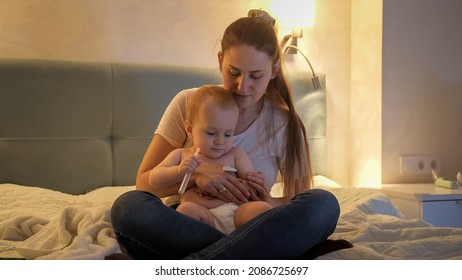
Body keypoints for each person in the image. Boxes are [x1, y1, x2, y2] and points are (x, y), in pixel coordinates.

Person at [111, 9, 351, 260]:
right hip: (187, 222)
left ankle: (198, 264)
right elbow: (145, 185)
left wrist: (266, 199)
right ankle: (255, 256)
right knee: (128, 207)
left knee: (322, 204)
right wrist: (197, 173)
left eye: (256, 76)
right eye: (233, 72)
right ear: (219, 60)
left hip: (247, 222)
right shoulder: (188, 102)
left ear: (275, 70)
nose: (242, 87)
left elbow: (296, 200)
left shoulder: (284, 123)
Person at [149, 84, 273, 234]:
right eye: (211, 133)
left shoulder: (236, 154)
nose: (220, 141)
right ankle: (225, 247)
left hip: (235, 212)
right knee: (185, 210)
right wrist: (179, 171)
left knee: (262, 209)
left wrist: (254, 184)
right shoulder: (182, 155)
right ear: (189, 129)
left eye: (228, 135)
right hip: (203, 216)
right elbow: (154, 179)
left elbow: (248, 182)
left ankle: (222, 248)